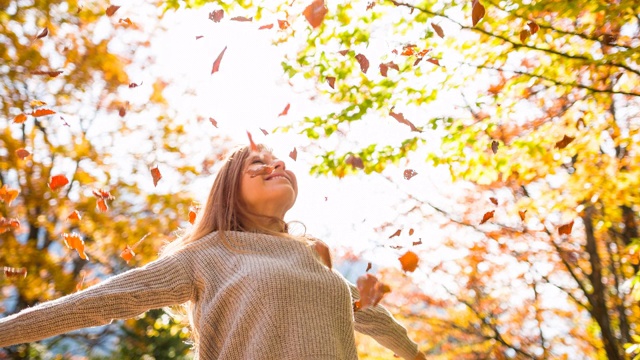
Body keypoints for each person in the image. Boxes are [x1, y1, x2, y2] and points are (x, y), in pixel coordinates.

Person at [0, 144, 427, 359]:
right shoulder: (206, 254)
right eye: (258, 164)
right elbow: (102, 301)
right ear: (228, 188)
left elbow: (379, 322)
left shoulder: (314, 259)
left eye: (280, 162)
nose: (277, 166)